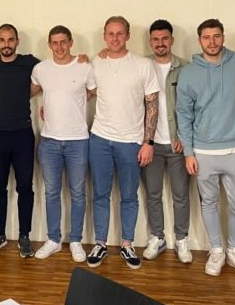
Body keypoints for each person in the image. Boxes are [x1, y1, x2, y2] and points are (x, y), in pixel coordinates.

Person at [176, 18, 235, 278]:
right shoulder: (189, 72)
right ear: (200, 40)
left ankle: (234, 249)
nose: (212, 42)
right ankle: (217, 250)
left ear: (223, 37)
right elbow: (183, 115)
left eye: (216, 36)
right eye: (206, 37)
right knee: (208, 203)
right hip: (203, 152)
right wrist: (188, 152)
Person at [86, 16, 159, 269]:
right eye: (110, 33)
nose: (115, 38)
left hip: (131, 141)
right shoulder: (96, 62)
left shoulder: (143, 65)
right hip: (100, 139)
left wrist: (148, 141)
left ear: (127, 35)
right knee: (100, 194)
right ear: (104, 36)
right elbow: (86, 92)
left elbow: (152, 104)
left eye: (120, 33)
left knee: (129, 196)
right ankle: (100, 244)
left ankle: (127, 244)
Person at [31, 25, 96, 262]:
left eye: (63, 42)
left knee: (78, 193)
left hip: (78, 140)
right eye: (55, 43)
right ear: (49, 45)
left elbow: (94, 91)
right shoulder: (41, 69)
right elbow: (28, 92)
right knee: (51, 192)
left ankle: (76, 240)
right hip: (49, 141)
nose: (59, 47)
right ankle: (54, 239)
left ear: (70, 42)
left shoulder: (84, 66)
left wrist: (74, 102)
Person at [0, 24, 40, 257]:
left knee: (25, 187)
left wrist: (83, 59)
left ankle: (24, 235)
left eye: (10, 40)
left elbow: (56, 70)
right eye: (2, 40)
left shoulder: (30, 62)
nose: (6, 44)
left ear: (17, 41)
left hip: (22, 134)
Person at [140, 19, 193, 264]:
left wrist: (183, 135)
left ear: (172, 40)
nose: (160, 43)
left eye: (165, 38)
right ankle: (157, 237)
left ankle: (182, 239)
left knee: (180, 195)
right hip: (150, 144)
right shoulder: (142, 66)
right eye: (155, 39)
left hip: (176, 144)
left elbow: (193, 106)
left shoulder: (186, 68)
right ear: (150, 41)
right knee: (153, 194)